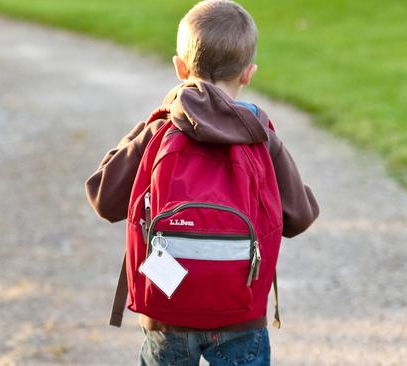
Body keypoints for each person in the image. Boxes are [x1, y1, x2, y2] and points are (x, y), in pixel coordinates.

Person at [86, 1, 319, 364]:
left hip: (167, 310)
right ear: (248, 74)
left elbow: (103, 197)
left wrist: (147, 126)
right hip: (240, 312)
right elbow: (300, 217)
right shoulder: (260, 136)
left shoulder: (161, 130)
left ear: (179, 68)